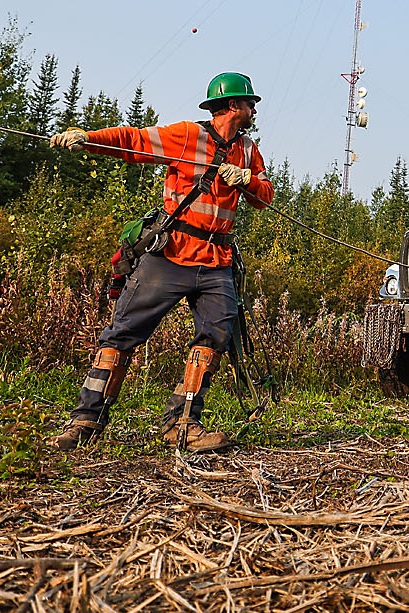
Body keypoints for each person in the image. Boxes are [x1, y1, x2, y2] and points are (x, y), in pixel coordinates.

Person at [47, 72, 275, 453]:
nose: (253, 110)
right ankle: (85, 421)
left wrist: (247, 179)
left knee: (214, 338)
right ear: (234, 105)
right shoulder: (186, 135)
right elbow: (134, 141)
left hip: (217, 262)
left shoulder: (249, 150)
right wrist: (87, 139)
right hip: (170, 256)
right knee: (122, 336)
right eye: (250, 103)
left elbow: (265, 196)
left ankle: (183, 425)